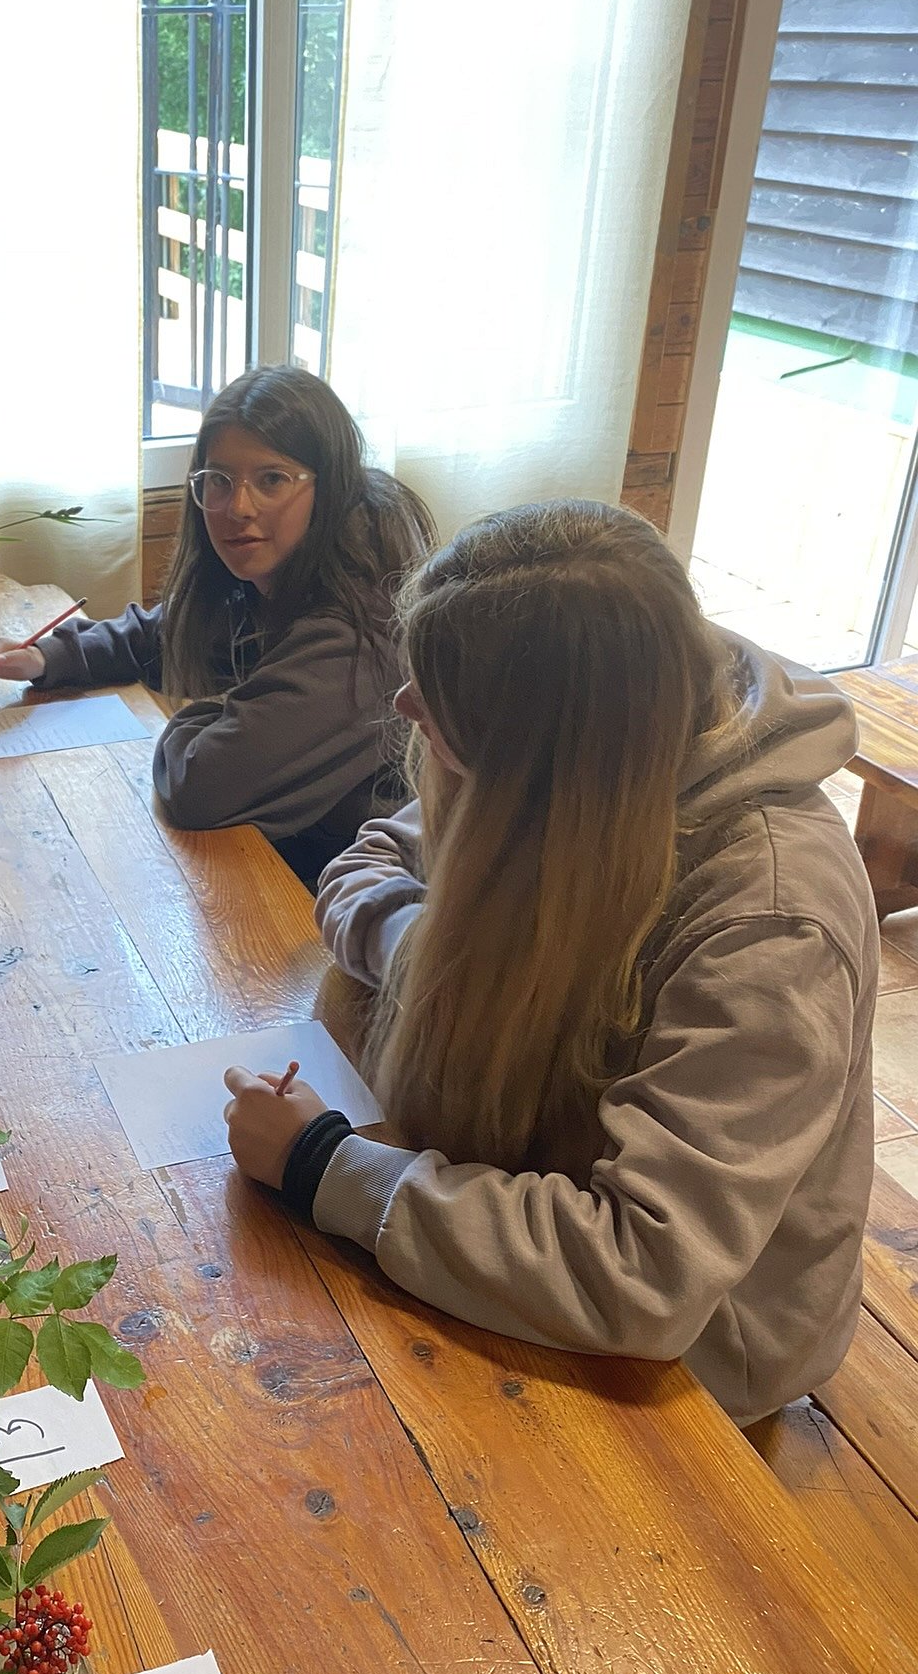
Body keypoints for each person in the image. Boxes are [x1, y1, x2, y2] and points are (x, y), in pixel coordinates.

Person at [222, 499, 879, 1427]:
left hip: (689, 1356)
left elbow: (645, 1274)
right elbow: (367, 863)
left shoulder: (772, 924)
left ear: (546, 756)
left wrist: (323, 1164)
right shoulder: (587, 735)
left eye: (438, 701)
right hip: (510, 1208)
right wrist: (425, 957)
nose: (404, 706)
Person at [0, 367, 435, 888]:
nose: (239, 507)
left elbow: (200, 786)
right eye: (219, 481)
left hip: (350, 897)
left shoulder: (359, 627)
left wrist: (210, 714)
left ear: (328, 486)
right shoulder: (286, 572)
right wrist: (48, 656)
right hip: (287, 863)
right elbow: (169, 632)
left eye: (272, 479)